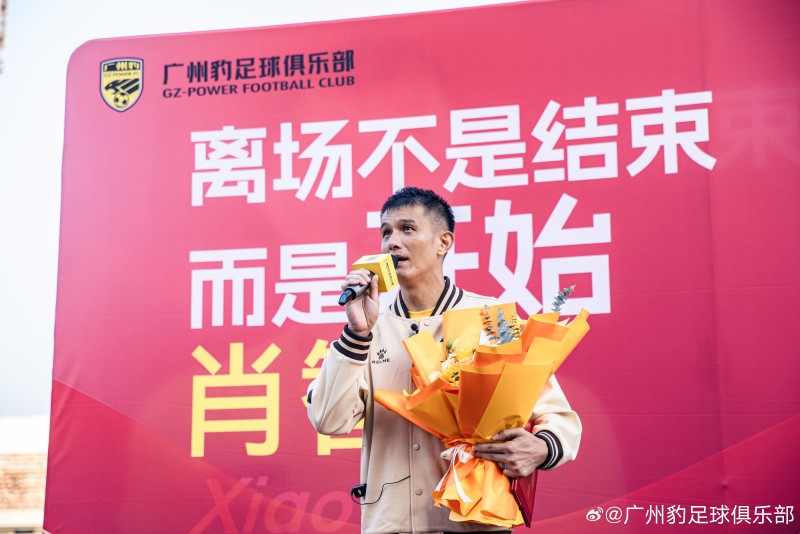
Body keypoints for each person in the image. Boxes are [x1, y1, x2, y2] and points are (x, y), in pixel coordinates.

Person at [307, 187, 581, 534]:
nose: (392, 242)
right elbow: (328, 420)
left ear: (443, 242)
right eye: (386, 232)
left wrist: (541, 447)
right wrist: (356, 334)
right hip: (391, 524)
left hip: (475, 521)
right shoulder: (368, 329)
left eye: (407, 229)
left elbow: (557, 416)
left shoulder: (493, 317)